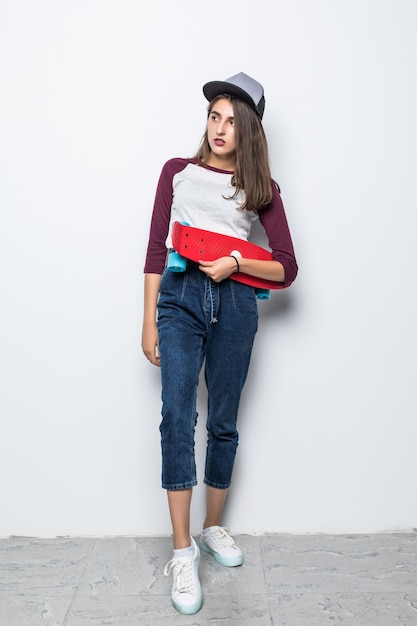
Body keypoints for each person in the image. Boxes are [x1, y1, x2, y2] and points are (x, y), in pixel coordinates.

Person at [141, 72, 298, 615]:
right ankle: (182, 551)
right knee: (177, 415)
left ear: (249, 129)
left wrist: (236, 261)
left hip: (234, 304)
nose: (220, 128)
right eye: (214, 116)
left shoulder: (261, 190)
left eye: (232, 120)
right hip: (180, 299)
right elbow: (156, 252)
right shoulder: (176, 173)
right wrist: (147, 320)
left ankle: (212, 529)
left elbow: (286, 267)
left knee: (224, 419)